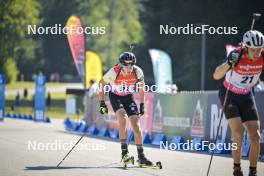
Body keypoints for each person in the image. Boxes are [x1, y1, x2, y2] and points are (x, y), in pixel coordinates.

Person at [213, 30, 264, 176]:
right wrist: (229, 63)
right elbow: (216, 75)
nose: (257, 52)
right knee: (238, 133)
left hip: (247, 94)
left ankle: (253, 171)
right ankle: (237, 168)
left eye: (260, 49)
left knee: (255, 136)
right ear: (246, 47)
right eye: (254, 49)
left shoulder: (263, 56)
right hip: (229, 94)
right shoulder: (237, 54)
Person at [98, 51, 153, 166]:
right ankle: (125, 154)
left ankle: (141, 157)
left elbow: (142, 88)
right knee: (123, 119)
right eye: (126, 65)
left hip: (128, 97)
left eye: (131, 65)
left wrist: (142, 104)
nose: (128, 68)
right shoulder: (114, 72)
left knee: (136, 126)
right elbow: (101, 84)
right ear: (121, 65)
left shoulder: (137, 72)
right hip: (115, 96)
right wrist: (102, 103)